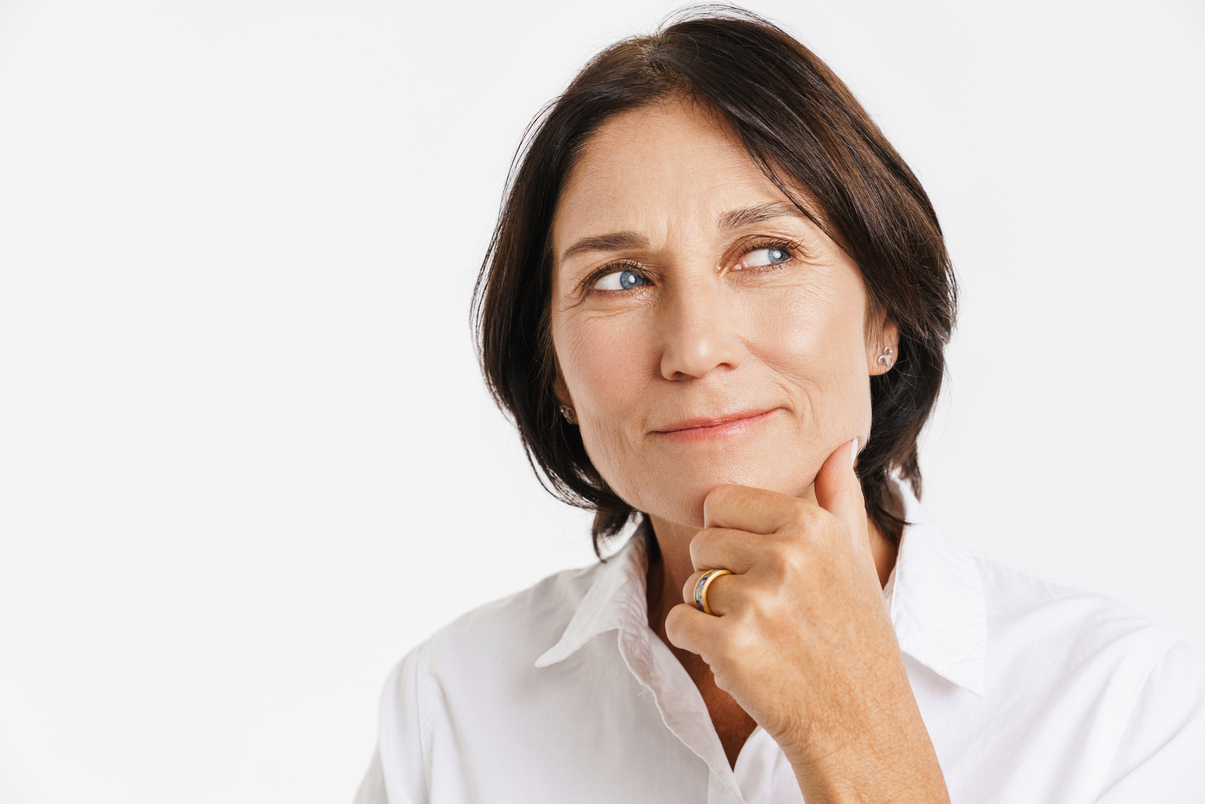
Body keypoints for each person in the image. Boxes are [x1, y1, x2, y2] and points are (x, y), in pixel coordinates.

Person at [355, 8, 1205, 802]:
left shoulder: (1124, 709)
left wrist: (852, 733)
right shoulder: (448, 706)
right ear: (553, 374)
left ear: (883, 318)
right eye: (619, 278)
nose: (694, 349)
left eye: (766, 253)